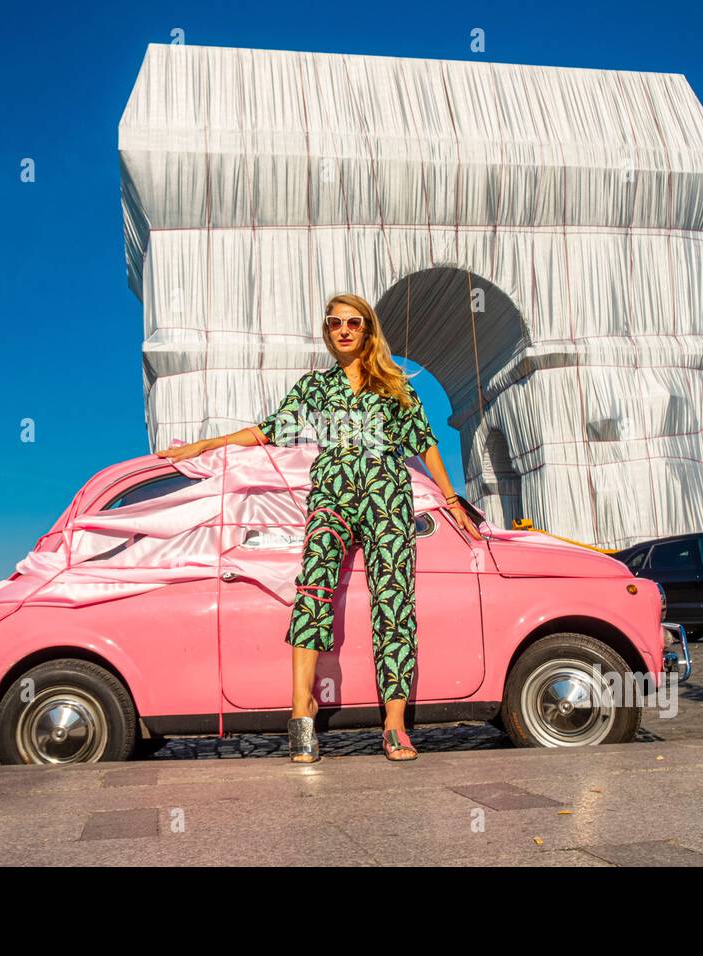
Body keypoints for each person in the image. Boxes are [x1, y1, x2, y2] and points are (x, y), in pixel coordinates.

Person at [157, 293, 481, 763]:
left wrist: (452, 501)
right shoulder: (314, 388)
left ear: (368, 331)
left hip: (388, 499)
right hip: (331, 498)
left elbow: (425, 444)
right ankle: (301, 711)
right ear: (327, 332)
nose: (344, 329)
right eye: (335, 323)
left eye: (354, 322)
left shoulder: (394, 388)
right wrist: (206, 444)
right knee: (312, 591)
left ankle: (393, 723)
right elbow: (269, 430)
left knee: (394, 601)